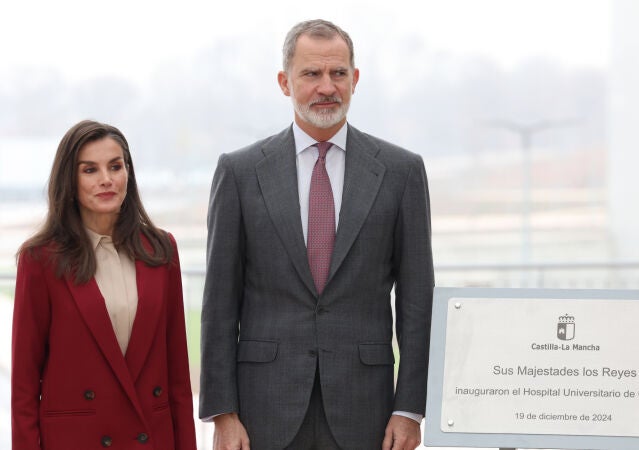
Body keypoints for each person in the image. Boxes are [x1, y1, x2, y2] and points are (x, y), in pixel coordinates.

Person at [200, 19, 434, 450]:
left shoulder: (402, 172)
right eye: (311, 74)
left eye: (338, 73)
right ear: (285, 82)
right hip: (262, 410)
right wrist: (223, 413)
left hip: (367, 411)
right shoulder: (239, 172)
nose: (326, 86)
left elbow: (418, 300)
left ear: (355, 79)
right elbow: (219, 299)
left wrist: (409, 409)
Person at [11, 120, 197, 450]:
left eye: (115, 166)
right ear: (69, 179)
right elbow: (24, 387)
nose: (106, 180)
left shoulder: (161, 250)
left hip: (151, 438)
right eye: (90, 170)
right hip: (77, 441)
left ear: (129, 173)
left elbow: (178, 379)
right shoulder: (40, 259)